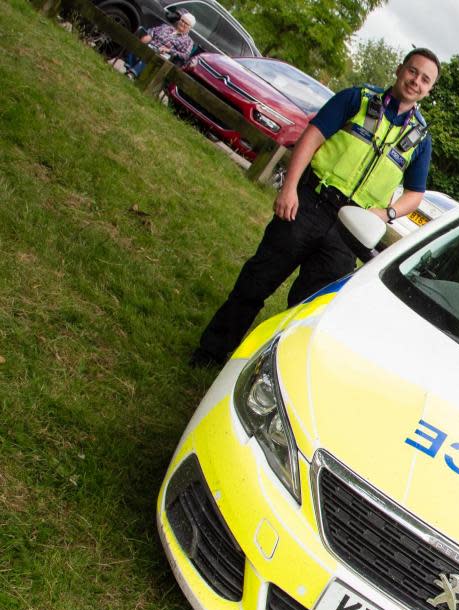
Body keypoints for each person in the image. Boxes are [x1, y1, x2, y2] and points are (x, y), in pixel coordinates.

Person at [190, 47, 440, 367]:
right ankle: (210, 354)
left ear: (429, 89)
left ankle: (264, 373)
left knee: (306, 314)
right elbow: (311, 137)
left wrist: (386, 213)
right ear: (399, 69)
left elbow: (415, 194)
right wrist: (290, 187)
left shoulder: (421, 138)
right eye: (413, 72)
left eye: (425, 79)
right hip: (309, 203)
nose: (416, 81)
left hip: (349, 232)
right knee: (257, 281)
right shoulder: (356, 99)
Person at [124, 12, 195, 78]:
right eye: (182, 21)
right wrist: (150, 35)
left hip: (163, 55)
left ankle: (132, 73)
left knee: (153, 54)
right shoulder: (166, 27)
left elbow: (185, 55)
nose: (183, 24)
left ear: (190, 27)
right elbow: (153, 30)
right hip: (150, 45)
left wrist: (169, 50)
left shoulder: (188, 41)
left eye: (186, 23)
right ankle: (129, 67)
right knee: (140, 37)